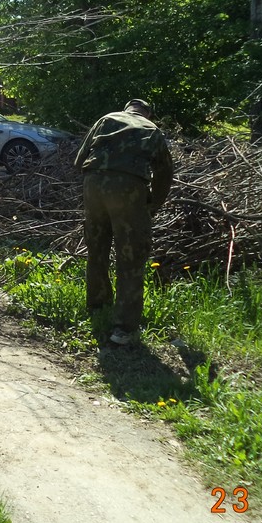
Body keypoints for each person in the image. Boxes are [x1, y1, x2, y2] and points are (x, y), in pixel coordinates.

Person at [75, 98, 174, 345]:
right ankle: (124, 328)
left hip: (94, 184)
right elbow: (164, 172)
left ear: (127, 109)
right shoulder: (152, 130)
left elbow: (79, 160)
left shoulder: (106, 119)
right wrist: (152, 205)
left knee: (96, 248)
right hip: (129, 189)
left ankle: (97, 307)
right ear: (147, 114)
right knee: (131, 256)